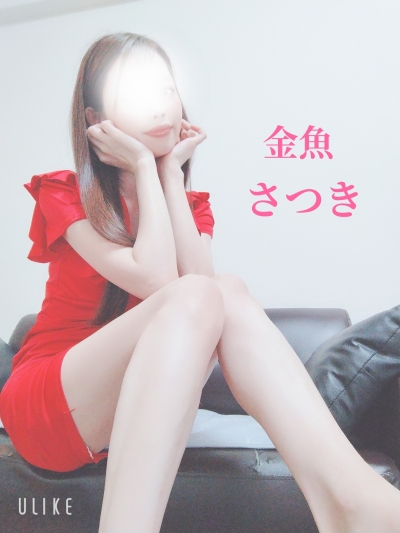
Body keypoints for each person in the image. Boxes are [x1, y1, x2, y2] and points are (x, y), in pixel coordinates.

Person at [0, 32, 399, 533]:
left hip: (123, 406)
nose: (160, 106)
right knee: (198, 291)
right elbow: (157, 280)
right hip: (52, 395)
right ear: (96, 119)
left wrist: (170, 174)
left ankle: (350, 500)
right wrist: (143, 164)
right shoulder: (66, 192)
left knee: (224, 289)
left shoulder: (193, 207)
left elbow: (205, 306)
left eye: (167, 89)